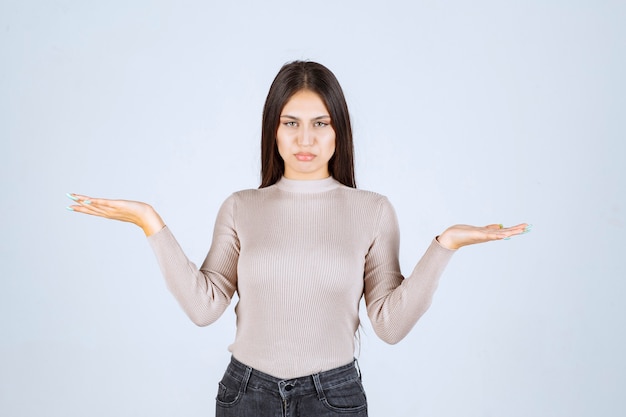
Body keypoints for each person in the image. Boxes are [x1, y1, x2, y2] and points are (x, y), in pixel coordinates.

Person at [66, 61, 530, 417]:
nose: (304, 138)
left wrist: (444, 245)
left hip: (334, 397)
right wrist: (150, 222)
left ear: (338, 131)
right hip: (246, 394)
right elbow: (205, 306)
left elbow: (388, 324)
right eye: (291, 122)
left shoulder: (372, 210)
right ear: (273, 129)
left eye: (319, 122)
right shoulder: (241, 206)